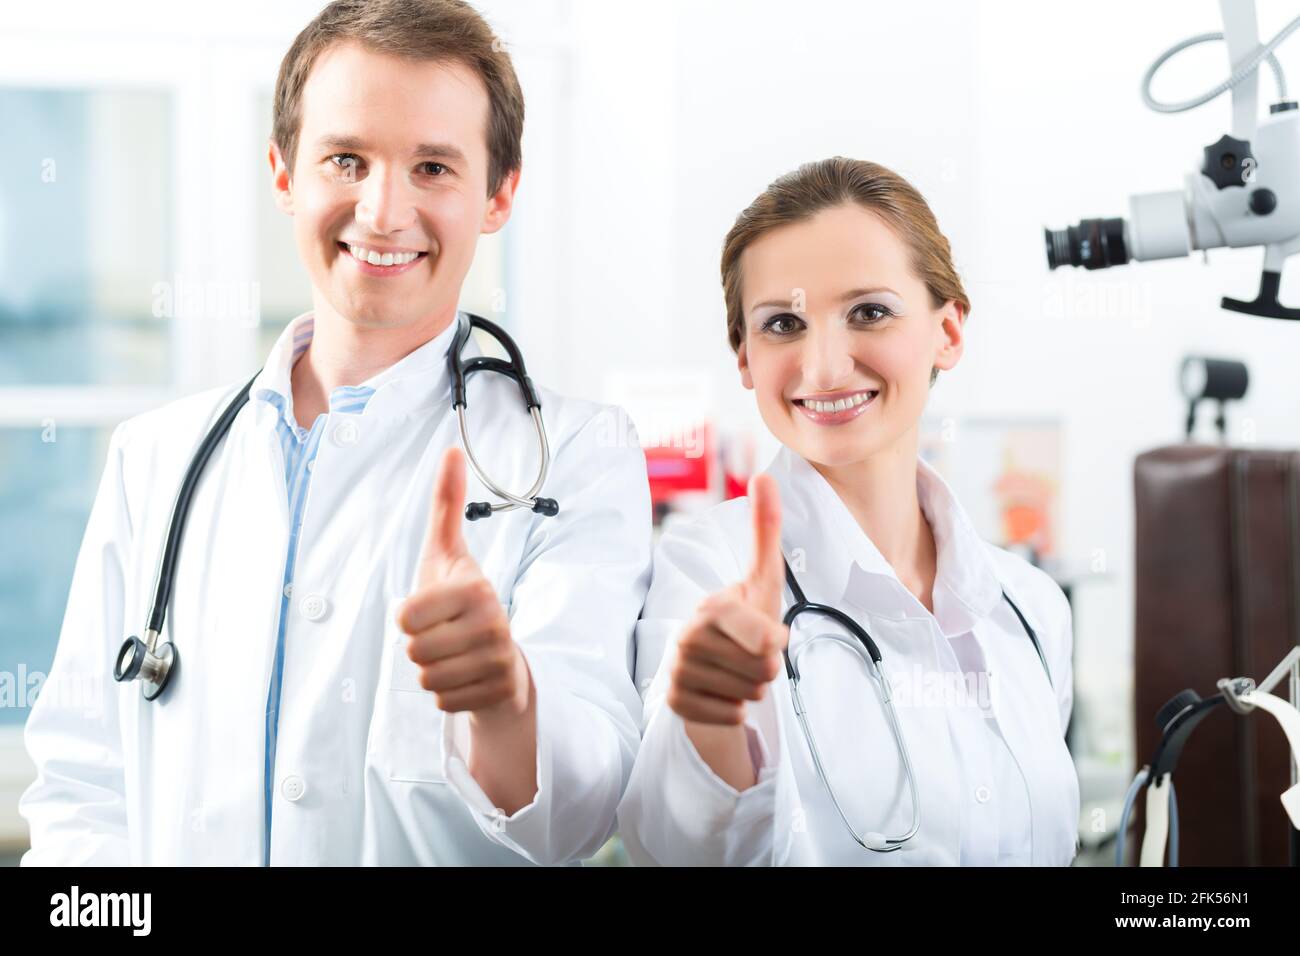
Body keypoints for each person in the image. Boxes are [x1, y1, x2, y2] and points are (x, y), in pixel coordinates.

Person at [20, 0, 651, 866]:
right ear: (284, 175)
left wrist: (506, 704)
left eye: (433, 166)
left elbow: (578, 819)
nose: (384, 211)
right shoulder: (155, 458)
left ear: (499, 193)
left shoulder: (577, 457)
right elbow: (83, 782)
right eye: (346, 159)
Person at [618, 157, 1080, 865]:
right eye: (782, 323)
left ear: (947, 331)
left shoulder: (1031, 607)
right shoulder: (709, 569)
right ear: (743, 356)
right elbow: (670, 844)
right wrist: (707, 725)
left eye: (869, 312)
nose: (827, 367)